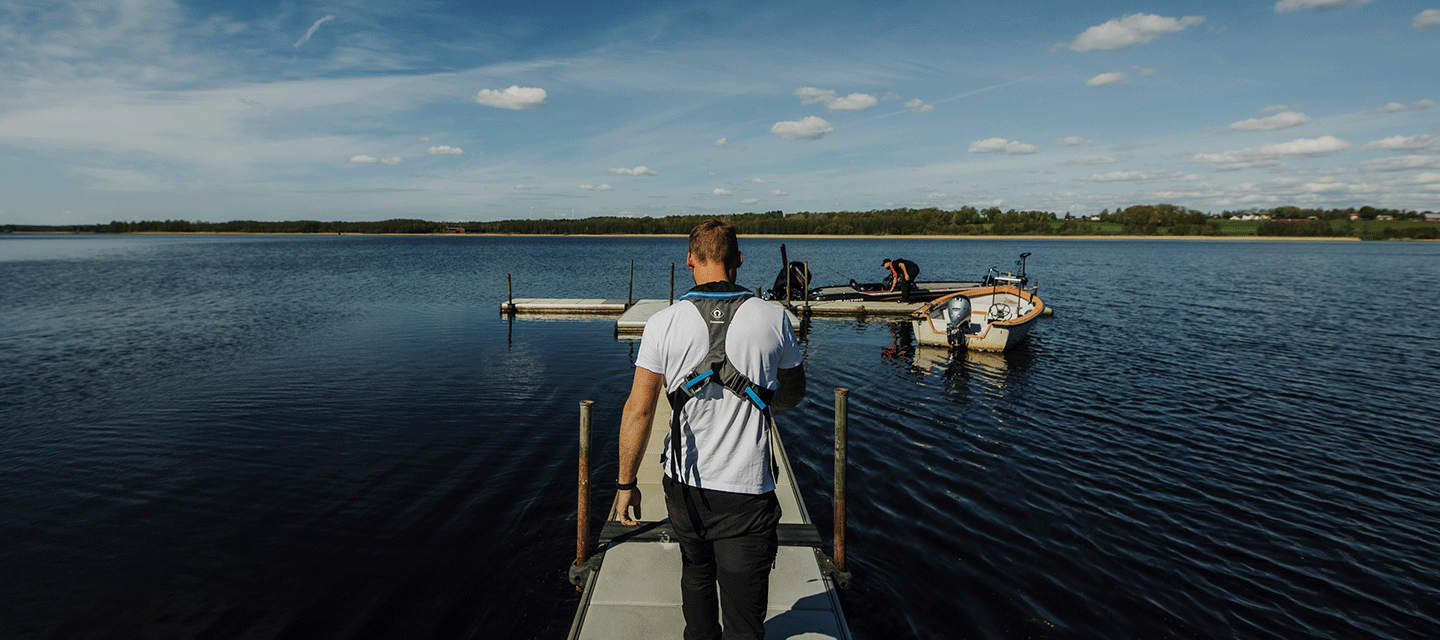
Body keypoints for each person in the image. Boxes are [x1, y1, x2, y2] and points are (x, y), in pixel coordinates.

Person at [614, 219, 806, 640]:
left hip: (685, 487)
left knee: (697, 575)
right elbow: (794, 392)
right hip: (747, 492)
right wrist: (765, 401)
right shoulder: (774, 318)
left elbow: (639, 411)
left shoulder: (662, 323)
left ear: (689, 260)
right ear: (738, 259)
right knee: (744, 618)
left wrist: (626, 483)